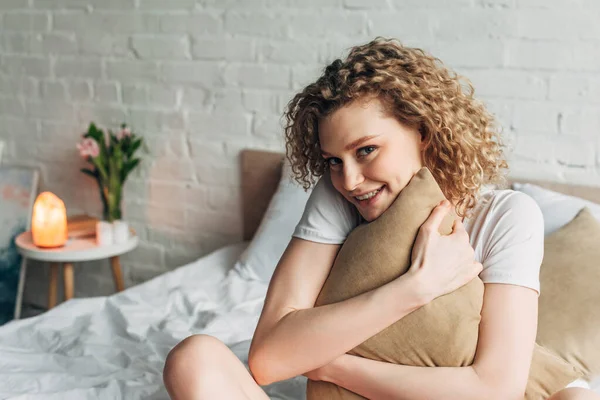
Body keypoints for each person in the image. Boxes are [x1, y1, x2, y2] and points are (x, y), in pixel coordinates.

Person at [163, 37, 599, 400]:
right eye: (333, 160)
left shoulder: (504, 216)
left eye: (366, 150)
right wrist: (416, 287)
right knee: (194, 357)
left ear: (424, 132)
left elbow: (494, 389)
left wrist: (333, 366)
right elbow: (266, 360)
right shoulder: (338, 197)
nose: (350, 180)